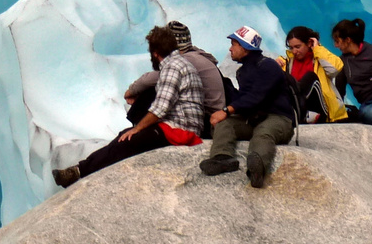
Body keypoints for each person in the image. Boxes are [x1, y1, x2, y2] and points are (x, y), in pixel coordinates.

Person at [53, 26, 207, 187]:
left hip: (180, 131)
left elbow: (161, 108)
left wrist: (138, 128)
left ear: (155, 53)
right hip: (180, 127)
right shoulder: (179, 64)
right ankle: (79, 170)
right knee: (124, 135)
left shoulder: (173, 68)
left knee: (129, 139)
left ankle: (79, 172)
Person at [198, 26, 295, 188]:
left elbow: (256, 97)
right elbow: (245, 100)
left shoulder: (268, 66)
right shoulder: (243, 71)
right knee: (225, 123)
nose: (230, 48)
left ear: (245, 47)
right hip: (255, 118)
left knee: (263, 133)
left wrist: (226, 110)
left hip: (279, 118)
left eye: (234, 44)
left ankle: (257, 168)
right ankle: (222, 157)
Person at [122, 20, 227, 132]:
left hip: (207, 120)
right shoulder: (198, 56)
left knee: (152, 91)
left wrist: (131, 92)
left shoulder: (184, 61)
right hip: (212, 116)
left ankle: (139, 129)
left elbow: (149, 80)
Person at [277, 26, 347, 123]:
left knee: (310, 77)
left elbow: (334, 69)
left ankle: (299, 113)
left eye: (298, 47)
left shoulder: (319, 59)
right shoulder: (286, 63)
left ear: (309, 43)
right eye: (291, 48)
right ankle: (298, 113)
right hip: (296, 106)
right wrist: (274, 67)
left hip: (320, 109)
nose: (294, 51)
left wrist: (317, 48)